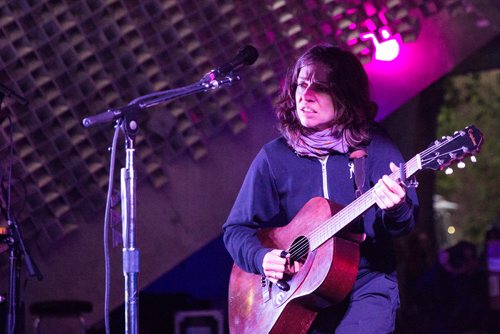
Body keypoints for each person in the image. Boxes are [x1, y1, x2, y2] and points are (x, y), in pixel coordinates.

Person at [223, 44, 418, 333]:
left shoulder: (374, 145)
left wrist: (396, 208)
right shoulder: (275, 156)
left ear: (345, 96)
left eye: (320, 87)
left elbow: (405, 225)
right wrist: (261, 257)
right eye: (302, 84)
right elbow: (235, 230)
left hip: (365, 287)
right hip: (298, 295)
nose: (305, 96)